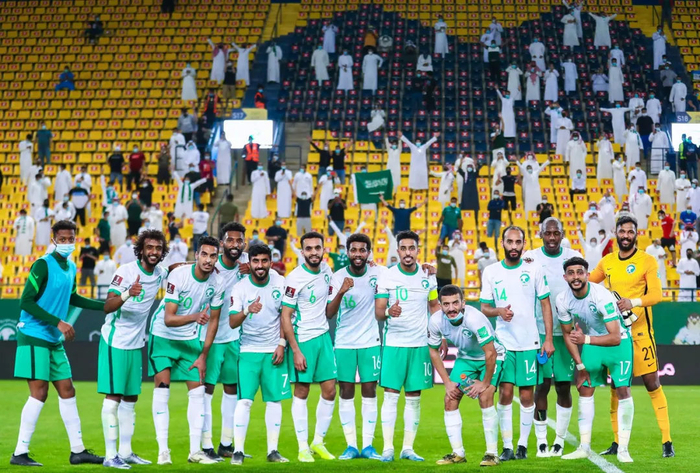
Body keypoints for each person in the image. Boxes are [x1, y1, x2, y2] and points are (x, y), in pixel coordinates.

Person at [10, 220, 105, 467]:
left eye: (70, 238)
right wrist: (58, 322)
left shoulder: (71, 267)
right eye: (62, 239)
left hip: (52, 339)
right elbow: (25, 301)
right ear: (54, 240)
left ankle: (78, 451)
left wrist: (104, 306)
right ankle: (19, 453)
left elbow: (73, 297)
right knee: (39, 393)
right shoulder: (42, 265)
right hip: (33, 334)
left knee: (67, 390)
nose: (66, 243)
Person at [589, 216, 673, 457]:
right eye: (622, 231)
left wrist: (632, 302)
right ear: (616, 233)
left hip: (641, 334)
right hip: (617, 336)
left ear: (636, 234)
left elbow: (656, 295)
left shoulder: (646, 261)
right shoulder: (607, 261)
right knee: (616, 386)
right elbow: (588, 284)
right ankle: (617, 442)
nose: (625, 235)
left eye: (630, 231)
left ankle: (667, 441)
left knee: (652, 383)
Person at [148, 236, 225, 465]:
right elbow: (169, 318)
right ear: (196, 255)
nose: (208, 260)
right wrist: (195, 317)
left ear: (217, 258)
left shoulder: (218, 283)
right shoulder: (179, 275)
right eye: (204, 254)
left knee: (198, 393)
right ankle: (163, 451)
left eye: (213, 256)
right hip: (163, 336)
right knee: (163, 390)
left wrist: (203, 355)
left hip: (190, 339)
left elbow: (214, 320)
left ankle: (195, 452)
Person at [480, 226, 554, 461]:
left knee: (526, 396)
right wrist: (499, 311)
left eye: (518, 242)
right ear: (502, 243)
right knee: (505, 392)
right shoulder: (491, 271)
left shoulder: (534, 268)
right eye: (510, 242)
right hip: (503, 342)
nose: (514, 246)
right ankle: (507, 446)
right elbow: (484, 308)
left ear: (524, 244)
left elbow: (545, 304)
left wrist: (548, 338)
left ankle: (522, 445)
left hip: (529, 341)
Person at [98, 230, 169, 468]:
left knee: (131, 398)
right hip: (115, 341)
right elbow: (108, 305)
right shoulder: (125, 272)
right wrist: (128, 293)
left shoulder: (159, 273)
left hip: (136, 343)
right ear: (141, 250)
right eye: (149, 247)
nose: (154, 252)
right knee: (113, 398)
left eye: (158, 248)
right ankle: (110, 456)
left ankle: (126, 452)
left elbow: (177, 267)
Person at [556, 257, 635, 463]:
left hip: (619, 344)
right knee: (585, 388)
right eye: (571, 273)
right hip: (592, 342)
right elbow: (567, 334)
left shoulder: (601, 296)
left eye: (579, 272)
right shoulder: (562, 299)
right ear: (565, 277)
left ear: (587, 275)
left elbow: (615, 337)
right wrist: (580, 365)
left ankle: (623, 449)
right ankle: (584, 447)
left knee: (623, 391)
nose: (576, 277)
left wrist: (585, 340)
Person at [374, 230, 440, 462]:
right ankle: (387, 448)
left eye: (412, 248)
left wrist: (440, 336)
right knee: (391, 396)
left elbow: (434, 306)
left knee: (414, 397)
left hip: (420, 344)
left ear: (418, 250)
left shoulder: (428, 276)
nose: (408, 252)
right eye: (403, 248)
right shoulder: (388, 276)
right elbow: (378, 312)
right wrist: (388, 312)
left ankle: (407, 448)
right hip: (394, 344)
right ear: (398, 251)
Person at [522, 218, 582, 457]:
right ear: (541, 234)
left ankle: (559, 440)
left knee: (564, 387)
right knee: (542, 386)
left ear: (562, 234)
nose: (552, 238)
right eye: (548, 233)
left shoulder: (573, 257)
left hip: (566, 332)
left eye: (556, 233)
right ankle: (541, 441)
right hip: (538, 332)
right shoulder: (530, 257)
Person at [224, 243, 289, 464]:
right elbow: (232, 322)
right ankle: (238, 451)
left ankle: (273, 451)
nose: (260, 266)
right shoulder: (240, 288)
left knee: (274, 401)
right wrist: (247, 310)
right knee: (244, 402)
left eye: (264, 261)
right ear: (249, 263)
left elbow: (285, 316)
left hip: (274, 351)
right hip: (248, 351)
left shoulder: (280, 282)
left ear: (270, 262)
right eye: (256, 261)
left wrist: (281, 343)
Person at [429, 285, 505, 466]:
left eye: (455, 303)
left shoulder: (475, 318)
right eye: (446, 304)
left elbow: (490, 353)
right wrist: (447, 382)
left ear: (463, 303)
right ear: (440, 305)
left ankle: (492, 454)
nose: (451, 308)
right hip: (466, 358)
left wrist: (484, 383)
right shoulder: (435, 320)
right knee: (450, 398)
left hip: (492, 356)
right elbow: (433, 351)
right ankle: (458, 454)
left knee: (485, 396)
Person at [279, 232, 336, 462]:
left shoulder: (327, 270)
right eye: (309, 248)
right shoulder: (294, 278)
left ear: (323, 250)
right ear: (302, 252)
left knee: (330, 390)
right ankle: (303, 447)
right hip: (303, 339)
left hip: (324, 337)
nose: (314, 252)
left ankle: (318, 442)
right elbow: (285, 316)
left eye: (317, 248)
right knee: (302, 391)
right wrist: (295, 350)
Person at [324, 234, 382, 460]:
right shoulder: (338, 277)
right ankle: (351, 446)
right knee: (346, 391)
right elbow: (329, 313)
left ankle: (368, 446)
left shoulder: (378, 272)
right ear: (347, 252)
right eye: (354, 250)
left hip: (370, 341)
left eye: (362, 250)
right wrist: (341, 291)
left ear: (368, 252)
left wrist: (426, 270)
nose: (358, 254)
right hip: (344, 342)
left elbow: (401, 275)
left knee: (370, 390)